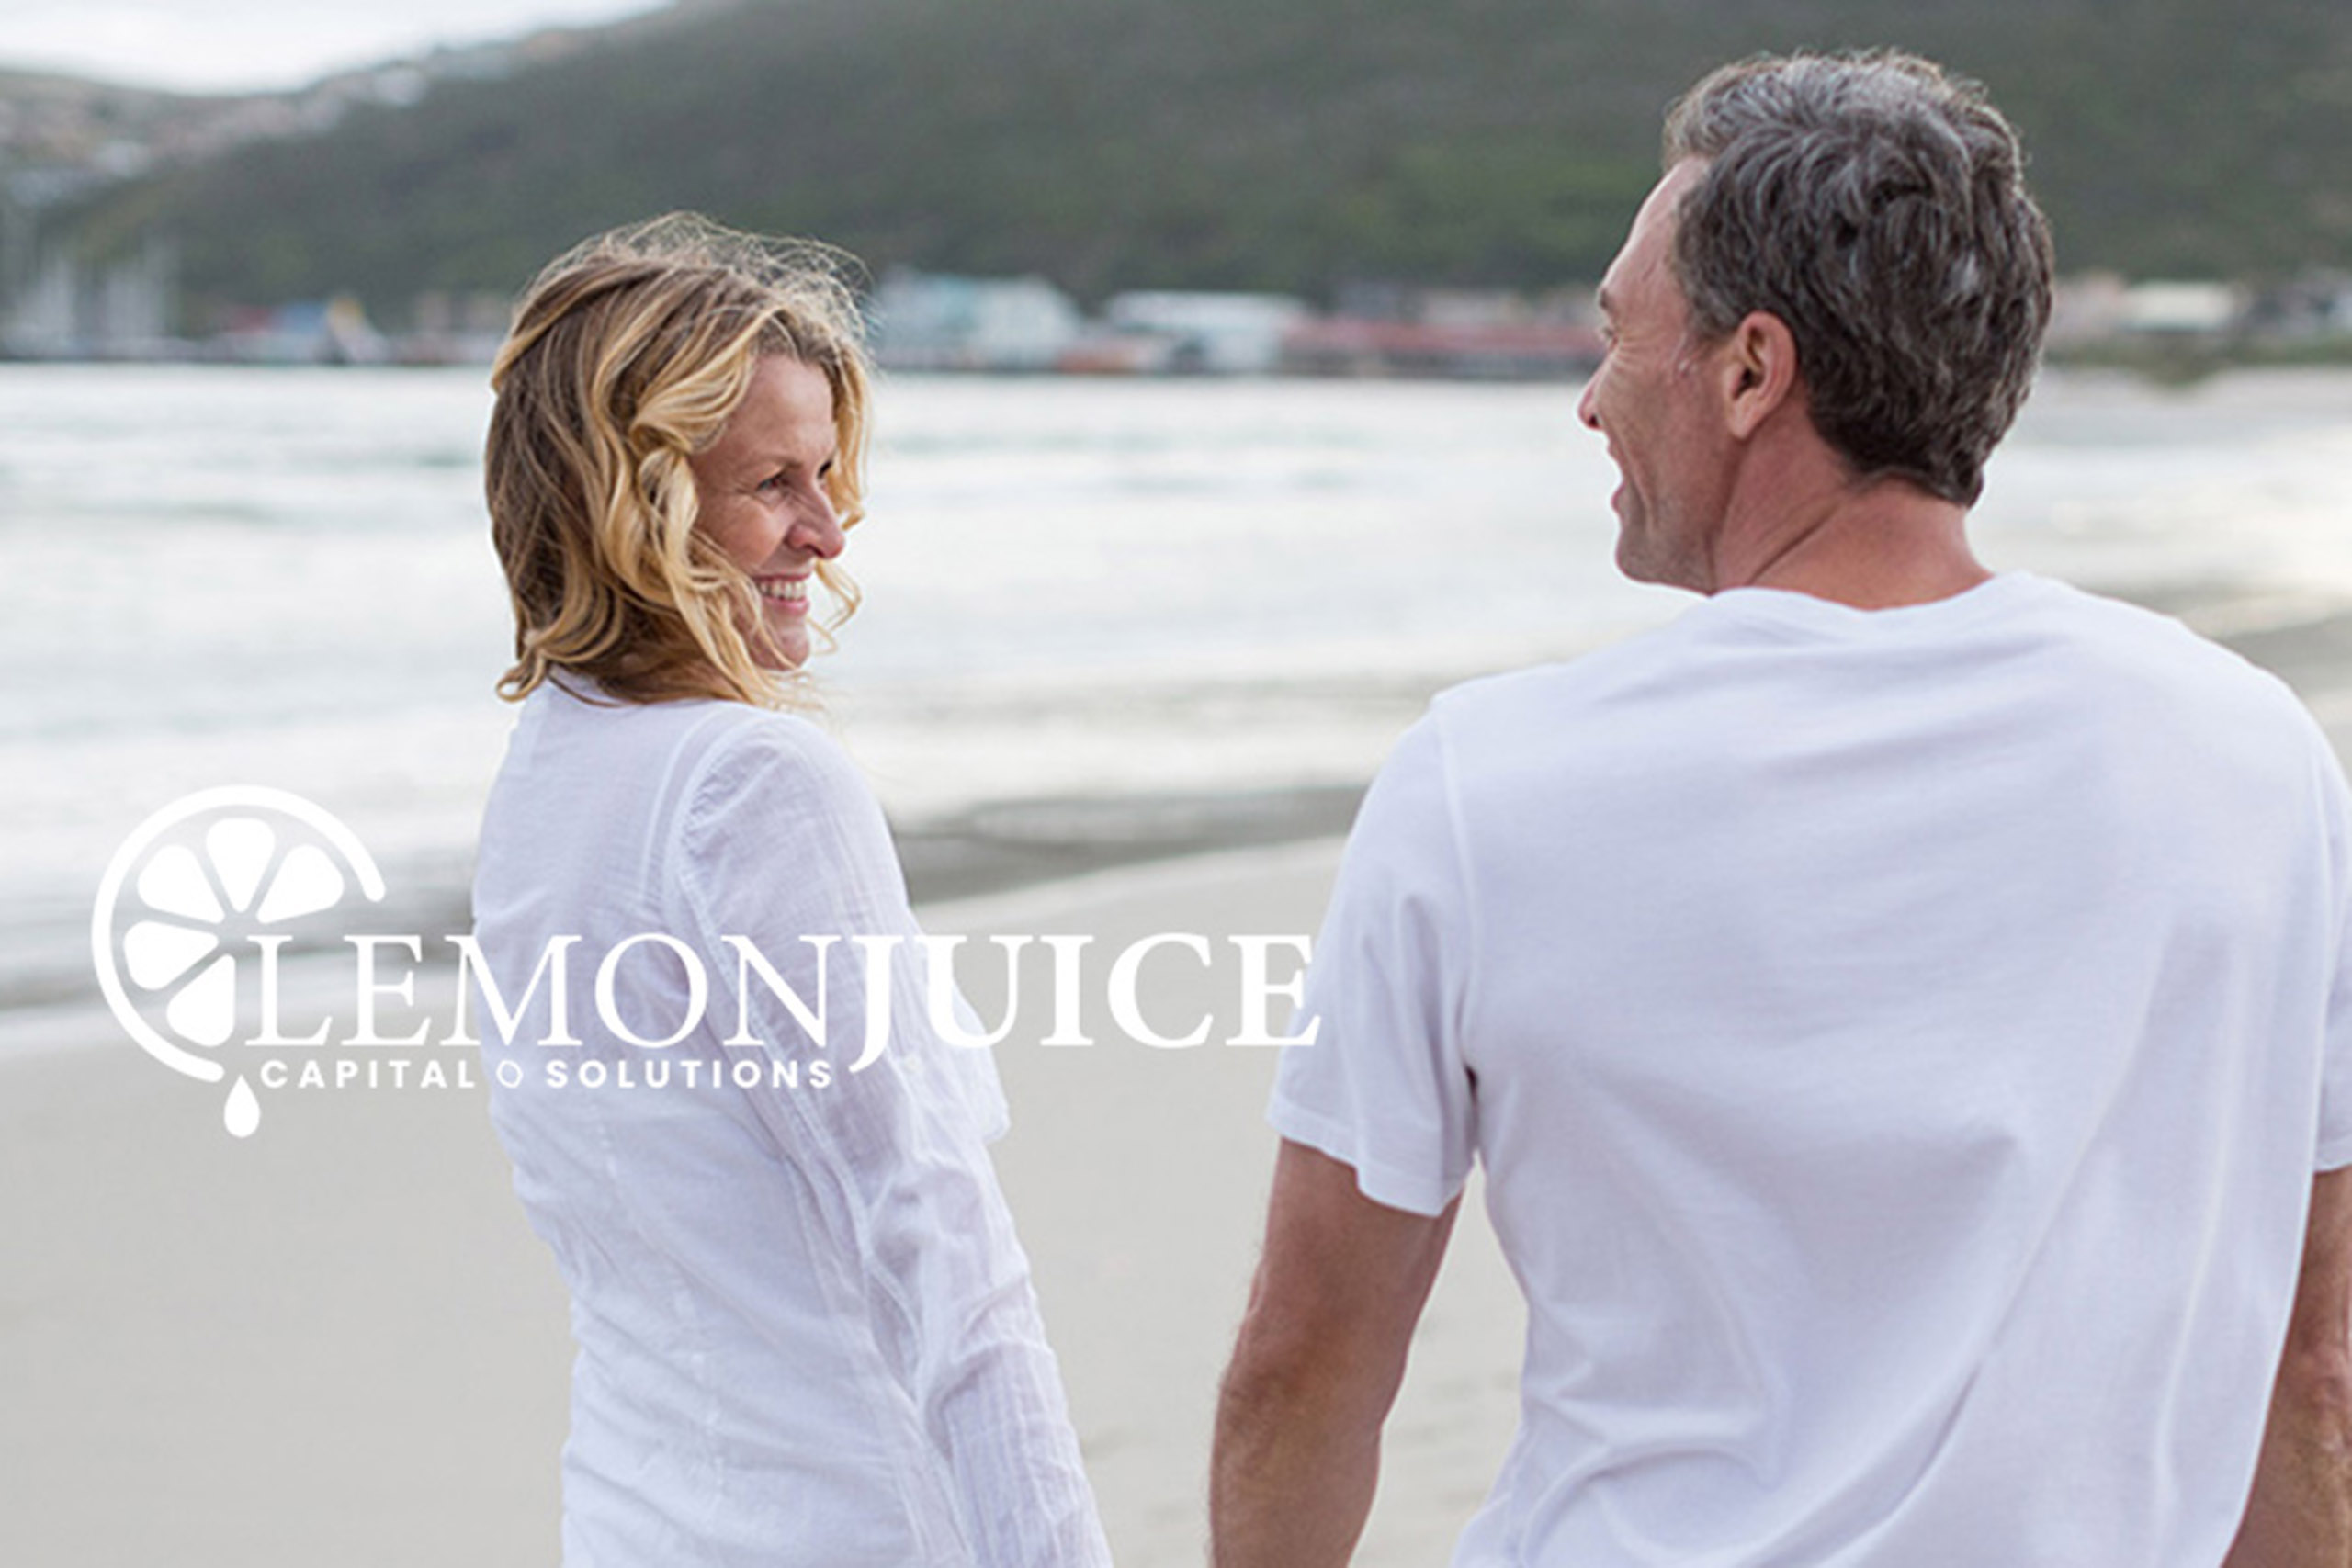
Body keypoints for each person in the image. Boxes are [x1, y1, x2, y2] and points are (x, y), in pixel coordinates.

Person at [1211, 50, 2352, 1568]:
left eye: (1618, 337)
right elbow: (2312, 1372)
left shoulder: (1490, 786)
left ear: (1752, 371)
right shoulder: (2251, 759)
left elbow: (1307, 1370)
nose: (1588, 401)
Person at [468, 216, 1111, 1568]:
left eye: (827, 477)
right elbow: (940, 1246)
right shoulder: (750, 783)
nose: (827, 532)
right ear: (632, 500)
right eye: (772, 483)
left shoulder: (547, 775)